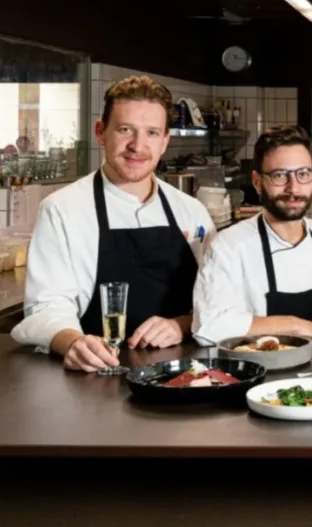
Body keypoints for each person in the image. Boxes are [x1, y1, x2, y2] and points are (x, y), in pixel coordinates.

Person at [11, 76, 216, 372]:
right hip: (94, 377)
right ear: (100, 132)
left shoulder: (191, 212)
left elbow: (218, 299)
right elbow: (47, 306)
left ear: (165, 142)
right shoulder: (62, 210)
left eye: (152, 133)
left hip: (186, 377)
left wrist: (182, 324)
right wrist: (72, 342)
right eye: (125, 130)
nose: (138, 146)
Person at [192, 125, 312, 345]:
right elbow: (208, 324)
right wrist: (293, 325)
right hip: (265, 373)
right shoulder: (229, 246)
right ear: (257, 182)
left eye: (303, 174)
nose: (293, 188)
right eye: (280, 175)